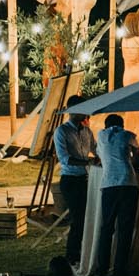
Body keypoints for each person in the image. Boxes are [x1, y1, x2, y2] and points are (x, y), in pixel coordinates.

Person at [92, 112, 139, 276]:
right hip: (128, 183)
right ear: (122, 125)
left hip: (109, 184)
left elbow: (101, 156)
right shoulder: (128, 136)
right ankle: (119, 271)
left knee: (107, 228)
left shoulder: (101, 136)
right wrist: (137, 158)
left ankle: (102, 270)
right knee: (125, 229)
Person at [51, 100, 99, 265]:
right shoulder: (61, 131)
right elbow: (64, 159)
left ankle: (83, 252)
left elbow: (95, 149)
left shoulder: (87, 131)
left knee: (87, 217)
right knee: (78, 218)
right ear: (72, 111)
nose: (86, 113)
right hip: (70, 180)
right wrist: (88, 162)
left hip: (85, 179)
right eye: (83, 109)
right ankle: (71, 255)